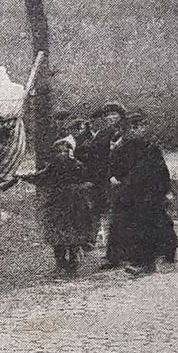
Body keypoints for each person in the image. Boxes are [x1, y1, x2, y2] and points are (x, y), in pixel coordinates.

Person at [107, 110, 177, 277]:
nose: (135, 130)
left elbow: (162, 171)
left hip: (150, 194)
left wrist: (166, 191)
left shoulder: (151, 147)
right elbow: (116, 168)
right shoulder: (124, 148)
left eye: (138, 127)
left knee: (147, 227)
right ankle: (139, 260)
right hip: (131, 193)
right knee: (133, 227)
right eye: (132, 127)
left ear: (144, 128)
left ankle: (147, 262)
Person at [22, 138, 95, 278]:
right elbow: (41, 177)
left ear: (70, 151)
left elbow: (89, 181)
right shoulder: (53, 166)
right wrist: (25, 177)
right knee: (57, 234)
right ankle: (60, 263)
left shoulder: (78, 166)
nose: (62, 154)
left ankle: (74, 264)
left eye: (65, 150)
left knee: (73, 233)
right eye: (59, 151)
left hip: (74, 204)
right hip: (57, 203)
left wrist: (79, 190)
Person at [80, 102, 126, 262]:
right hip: (102, 179)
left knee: (120, 213)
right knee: (103, 212)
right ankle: (107, 248)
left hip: (121, 178)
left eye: (115, 114)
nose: (111, 118)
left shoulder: (125, 132)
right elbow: (93, 157)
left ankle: (122, 250)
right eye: (108, 115)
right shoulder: (102, 134)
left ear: (121, 116)